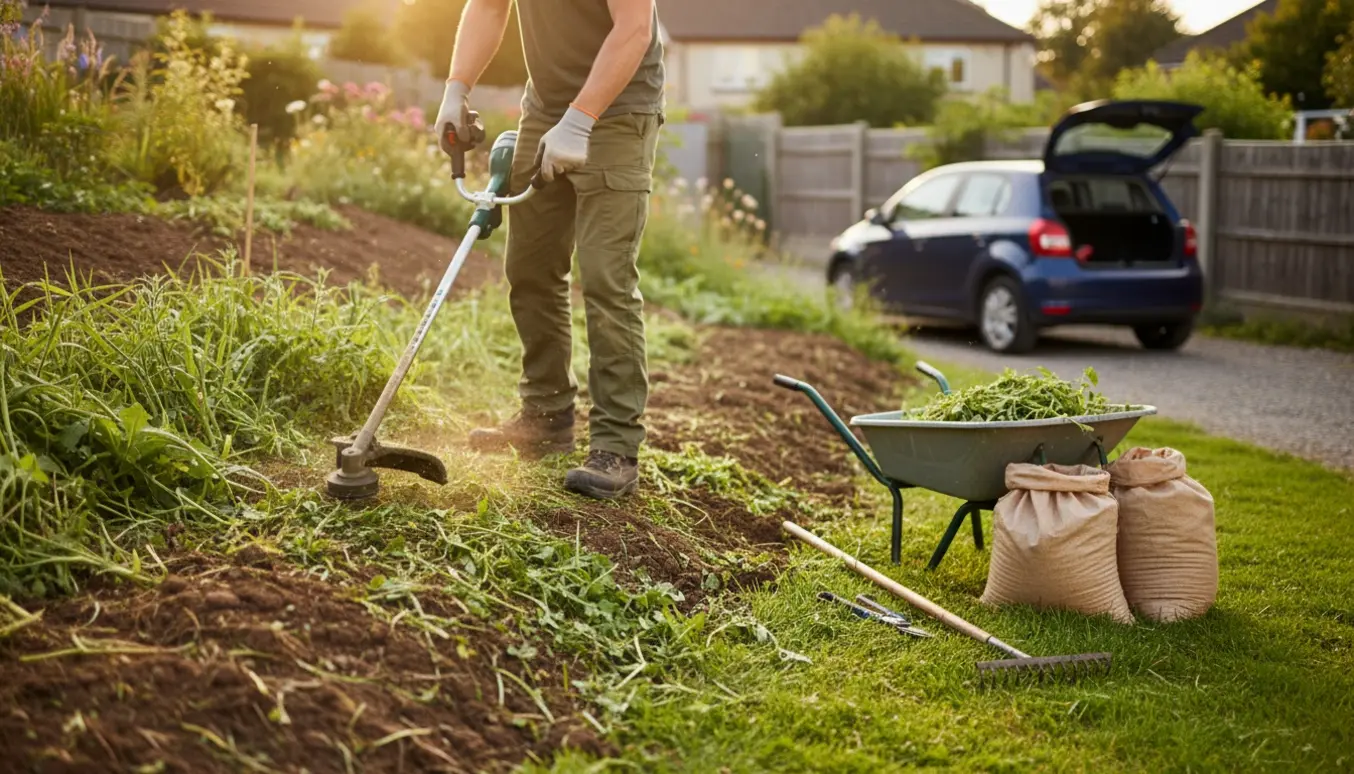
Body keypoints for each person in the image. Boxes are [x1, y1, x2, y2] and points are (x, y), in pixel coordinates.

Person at [435, 0, 665, 500]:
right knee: (530, 266)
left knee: (606, 276)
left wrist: (581, 120)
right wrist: (456, 88)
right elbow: (488, 8)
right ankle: (546, 415)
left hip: (621, 108)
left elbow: (633, 29)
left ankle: (616, 446)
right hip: (545, 107)